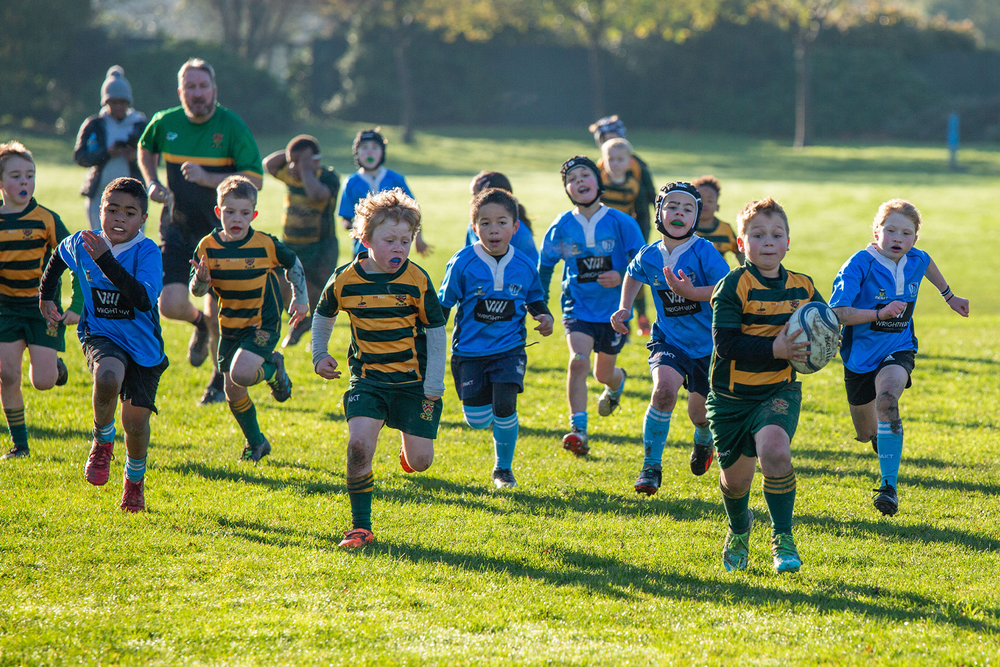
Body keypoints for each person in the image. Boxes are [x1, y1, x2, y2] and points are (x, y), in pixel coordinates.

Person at [311, 188, 446, 548]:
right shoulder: (346, 279)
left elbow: (435, 330)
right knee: (358, 447)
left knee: (421, 463)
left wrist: (434, 381)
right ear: (366, 238)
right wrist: (319, 355)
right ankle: (360, 526)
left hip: (413, 383)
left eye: (405, 240)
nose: (399, 248)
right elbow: (323, 314)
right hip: (368, 380)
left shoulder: (416, 279)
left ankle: (408, 444)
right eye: (390, 240)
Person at [707, 197, 826, 574]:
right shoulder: (732, 285)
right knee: (736, 482)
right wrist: (775, 347)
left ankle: (784, 539)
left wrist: (825, 346)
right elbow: (725, 344)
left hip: (778, 390)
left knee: (775, 450)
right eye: (758, 235)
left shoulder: (803, 287)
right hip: (730, 397)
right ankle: (739, 530)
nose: (768, 241)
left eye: (777, 234)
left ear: (788, 242)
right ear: (741, 244)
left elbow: (826, 325)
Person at [830, 199, 969, 517]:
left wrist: (949, 296)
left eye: (906, 233)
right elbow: (838, 312)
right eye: (890, 230)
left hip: (899, 348)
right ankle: (880, 439)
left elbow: (928, 263)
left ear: (914, 239)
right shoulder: (858, 265)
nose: (897, 238)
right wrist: (878, 313)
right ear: (876, 231)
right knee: (866, 433)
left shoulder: (916, 258)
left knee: (889, 398)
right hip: (858, 357)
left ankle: (888, 487)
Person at [138, 58, 263, 406]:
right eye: (189, 87)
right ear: (181, 92)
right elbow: (146, 149)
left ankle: (217, 382)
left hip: (220, 232)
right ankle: (197, 324)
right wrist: (151, 182)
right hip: (176, 225)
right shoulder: (165, 122)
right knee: (170, 304)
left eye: (202, 87)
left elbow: (255, 179)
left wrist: (209, 178)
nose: (196, 94)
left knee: (217, 313)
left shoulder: (232, 126)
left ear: (214, 90)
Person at [39, 177, 168, 512]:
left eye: (129, 212)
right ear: (100, 211)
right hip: (101, 334)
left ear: (143, 219)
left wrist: (106, 260)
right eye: (112, 210)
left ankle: (134, 482)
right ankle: (101, 440)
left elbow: (141, 299)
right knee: (107, 377)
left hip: (144, 347)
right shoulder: (84, 243)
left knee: (136, 425)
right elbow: (58, 255)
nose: (119, 218)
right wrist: (45, 297)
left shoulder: (148, 251)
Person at [611, 183, 730, 495]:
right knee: (663, 392)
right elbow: (633, 274)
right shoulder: (649, 255)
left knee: (699, 415)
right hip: (669, 340)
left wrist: (690, 293)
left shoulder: (705, 252)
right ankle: (651, 466)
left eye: (688, 209)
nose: (679, 212)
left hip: (708, 346)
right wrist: (624, 307)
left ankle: (703, 442)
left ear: (697, 217)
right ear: (659, 213)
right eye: (672, 206)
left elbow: (726, 291)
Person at [440, 188, 554, 488]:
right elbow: (443, 305)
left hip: (509, 349)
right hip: (469, 351)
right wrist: (424, 332)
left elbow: (534, 298)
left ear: (515, 227)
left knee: (505, 406)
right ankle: (491, 419)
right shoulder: (462, 262)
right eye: (485, 223)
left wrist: (545, 316)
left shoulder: (525, 264)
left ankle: (503, 469)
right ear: (474, 226)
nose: (494, 229)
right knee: (476, 420)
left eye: (502, 222)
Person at [189, 176, 308, 463]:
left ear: (253, 214)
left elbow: (293, 264)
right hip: (230, 327)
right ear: (219, 213)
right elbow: (196, 289)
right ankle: (257, 443)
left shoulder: (265, 244)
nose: (236, 218)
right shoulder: (208, 246)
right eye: (230, 212)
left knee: (241, 373)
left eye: (244, 213)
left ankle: (273, 368)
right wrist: (201, 282)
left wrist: (300, 298)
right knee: (232, 390)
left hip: (262, 323)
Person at [539, 156, 645, 457]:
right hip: (578, 309)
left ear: (598, 181)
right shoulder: (561, 226)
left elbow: (644, 264)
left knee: (602, 375)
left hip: (615, 313)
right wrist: (540, 306)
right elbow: (545, 267)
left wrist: (621, 274)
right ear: (567, 190)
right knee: (578, 362)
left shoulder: (622, 222)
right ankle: (578, 429)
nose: (579, 181)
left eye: (585, 174)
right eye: (571, 179)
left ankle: (617, 383)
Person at [0, 141, 79, 460]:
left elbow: (77, 260)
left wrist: (76, 306)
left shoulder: (46, 218)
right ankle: (20, 445)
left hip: (42, 308)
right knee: (7, 375)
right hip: (5, 308)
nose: (24, 182)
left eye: (29, 175)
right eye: (16, 176)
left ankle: (54, 367)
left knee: (43, 382)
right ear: (1, 182)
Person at [263, 134, 341, 347]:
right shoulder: (291, 175)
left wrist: (306, 168)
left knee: (313, 292)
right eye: (292, 162)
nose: (294, 167)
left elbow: (317, 194)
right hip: (292, 244)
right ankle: (291, 324)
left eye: (301, 162)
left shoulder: (327, 177)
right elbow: (268, 164)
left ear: (316, 160)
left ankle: (303, 325)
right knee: (282, 287)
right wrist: (292, 155)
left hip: (319, 248)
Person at [73, 66, 147, 231]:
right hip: (100, 193)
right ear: (106, 102)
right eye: (114, 102)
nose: (118, 106)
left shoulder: (140, 125)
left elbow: (153, 158)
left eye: (122, 102)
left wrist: (135, 158)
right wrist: (107, 154)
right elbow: (80, 157)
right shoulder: (94, 125)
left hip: (133, 196)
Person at [338, 128, 429, 259]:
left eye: (375, 147)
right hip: (362, 250)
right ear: (356, 152)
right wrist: (365, 225)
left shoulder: (396, 179)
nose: (369, 152)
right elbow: (345, 220)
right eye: (364, 147)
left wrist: (419, 238)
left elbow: (413, 211)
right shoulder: (351, 183)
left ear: (382, 152)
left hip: (393, 247)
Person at [599, 137, 650, 335]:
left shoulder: (635, 186)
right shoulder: (598, 183)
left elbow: (642, 215)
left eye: (620, 159)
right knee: (607, 277)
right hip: (602, 241)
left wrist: (640, 242)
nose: (615, 163)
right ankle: (609, 320)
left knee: (633, 275)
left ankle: (641, 315)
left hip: (624, 240)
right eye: (610, 159)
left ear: (630, 162)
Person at [463, 171, 538, 266]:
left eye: (475, 196)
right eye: (485, 224)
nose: (471, 202)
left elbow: (533, 266)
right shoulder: (474, 225)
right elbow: (466, 254)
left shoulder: (520, 231)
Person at [692, 175, 743, 265]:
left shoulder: (725, 229)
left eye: (710, 200)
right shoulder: (684, 228)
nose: (705, 204)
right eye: (700, 200)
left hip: (719, 277)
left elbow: (740, 253)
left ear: (717, 207)